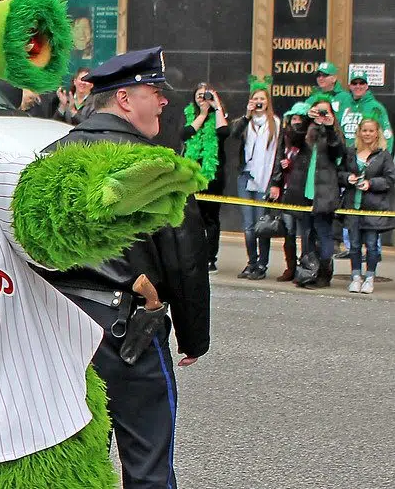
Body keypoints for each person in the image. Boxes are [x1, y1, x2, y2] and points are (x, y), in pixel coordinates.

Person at [39, 46, 210, 489]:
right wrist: (194, 336)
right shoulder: (156, 168)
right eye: (155, 91)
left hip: (57, 329)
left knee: (71, 466)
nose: (165, 101)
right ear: (125, 100)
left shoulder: (49, 158)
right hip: (127, 331)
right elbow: (186, 261)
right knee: (148, 464)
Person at [280, 95, 345, 289]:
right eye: (319, 111)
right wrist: (308, 119)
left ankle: (325, 273)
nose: (322, 115)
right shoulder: (307, 131)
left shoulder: (334, 134)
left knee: (324, 234)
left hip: (324, 191)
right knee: (306, 234)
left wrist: (330, 126)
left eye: (326, 112)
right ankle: (308, 272)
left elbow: (337, 151)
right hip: (304, 190)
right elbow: (293, 139)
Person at [335, 67, 393, 259]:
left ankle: (373, 251)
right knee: (350, 206)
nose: (358, 86)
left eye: (362, 83)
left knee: (369, 209)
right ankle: (351, 247)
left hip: (372, 164)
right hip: (350, 160)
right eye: (355, 83)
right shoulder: (344, 104)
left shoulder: (376, 107)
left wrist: (382, 161)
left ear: (367, 86)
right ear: (350, 85)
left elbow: (387, 136)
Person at [230, 75, 281, 279]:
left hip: (265, 177)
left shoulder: (275, 123)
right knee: (248, 225)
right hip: (245, 176)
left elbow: (278, 154)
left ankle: (262, 264)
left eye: (262, 99)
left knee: (262, 225)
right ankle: (251, 262)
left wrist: (275, 181)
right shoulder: (246, 122)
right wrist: (246, 115)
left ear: (268, 102)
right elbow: (233, 134)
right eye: (255, 99)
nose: (259, 102)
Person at [339, 118, 395, 294]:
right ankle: (356, 277)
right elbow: (339, 173)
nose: (367, 134)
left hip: (373, 207)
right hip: (352, 206)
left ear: (377, 133)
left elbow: (390, 179)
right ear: (359, 132)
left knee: (371, 245)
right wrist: (348, 178)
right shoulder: (351, 152)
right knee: (354, 245)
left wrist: (371, 184)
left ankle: (370, 277)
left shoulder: (383, 155)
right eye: (364, 130)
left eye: (371, 131)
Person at [181, 82, 229, 273]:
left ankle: (210, 257)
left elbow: (224, 132)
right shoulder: (190, 115)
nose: (203, 99)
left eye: (206, 95)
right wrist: (201, 114)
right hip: (192, 176)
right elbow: (185, 134)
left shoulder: (218, 116)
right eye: (199, 95)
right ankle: (193, 253)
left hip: (213, 177)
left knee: (211, 219)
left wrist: (217, 107)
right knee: (192, 217)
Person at [269, 102, 310, 282]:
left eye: (300, 119)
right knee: (289, 232)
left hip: (302, 191)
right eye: (293, 118)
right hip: (286, 191)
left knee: (307, 234)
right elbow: (278, 158)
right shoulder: (284, 136)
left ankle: (306, 268)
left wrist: (291, 164)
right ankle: (291, 267)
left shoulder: (309, 138)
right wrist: (276, 181)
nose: (296, 123)